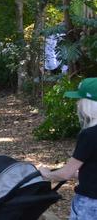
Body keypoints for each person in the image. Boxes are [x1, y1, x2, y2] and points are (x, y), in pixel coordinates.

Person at [39, 78, 97, 220]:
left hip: (90, 204)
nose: (77, 104)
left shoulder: (89, 135)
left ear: (89, 104)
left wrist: (46, 173)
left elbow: (65, 174)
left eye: (80, 100)